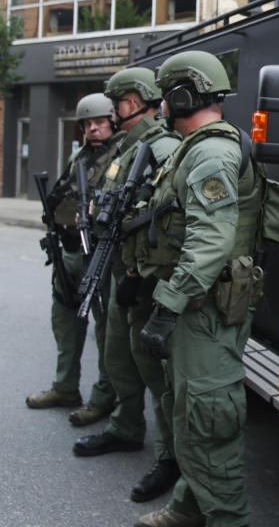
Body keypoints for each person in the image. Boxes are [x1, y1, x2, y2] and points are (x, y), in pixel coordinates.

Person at [133, 50, 264, 527]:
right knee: (191, 408)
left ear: (182, 94)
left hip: (205, 304)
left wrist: (168, 305)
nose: (162, 105)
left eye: (167, 95)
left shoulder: (211, 152)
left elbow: (211, 242)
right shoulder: (197, 146)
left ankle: (228, 519)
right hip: (200, 300)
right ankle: (190, 505)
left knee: (208, 417)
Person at [72, 68, 182, 505]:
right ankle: (125, 426)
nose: (111, 113)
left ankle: (170, 457)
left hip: (149, 276)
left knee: (158, 373)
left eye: (115, 103)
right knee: (120, 353)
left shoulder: (163, 147)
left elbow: (168, 218)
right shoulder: (130, 146)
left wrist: (139, 276)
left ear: (132, 102)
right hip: (124, 269)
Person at [27, 93, 122, 427]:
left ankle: (104, 398)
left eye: (98, 122)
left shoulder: (122, 154)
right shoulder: (81, 155)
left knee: (106, 331)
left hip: (98, 254)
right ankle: (65, 387)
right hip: (68, 250)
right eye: (87, 124)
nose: (93, 129)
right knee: (65, 322)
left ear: (112, 121)